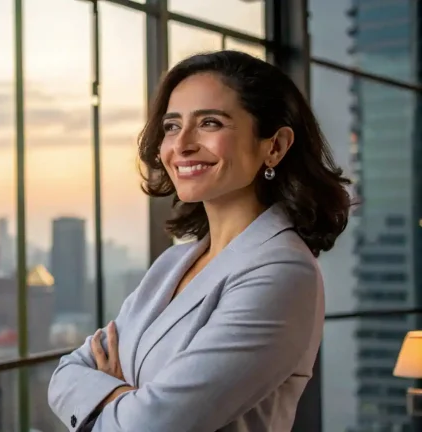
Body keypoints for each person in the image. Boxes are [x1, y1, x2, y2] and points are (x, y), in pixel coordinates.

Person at [47, 50, 351, 432]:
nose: (182, 144)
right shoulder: (173, 263)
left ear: (274, 146)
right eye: (172, 126)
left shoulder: (283, 273)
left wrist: (109, 392)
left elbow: (151, 426)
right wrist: (130, 399)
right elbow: (65, 373)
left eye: (210, 122)